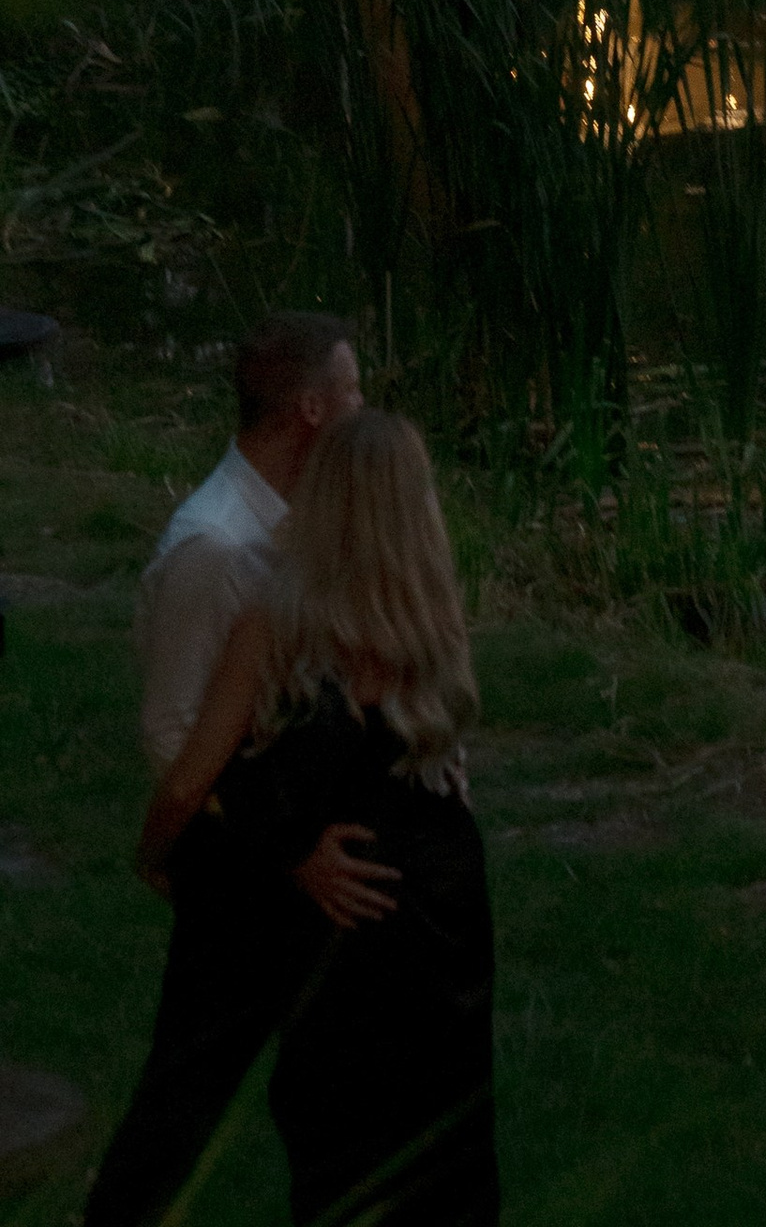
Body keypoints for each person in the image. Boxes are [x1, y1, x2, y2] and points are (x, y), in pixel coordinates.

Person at [139, 411, 498, 1227]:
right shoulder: (432, 616)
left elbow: (192, 778)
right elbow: (449, 761)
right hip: (443, 895)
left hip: (346, 902)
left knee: (341, 1123)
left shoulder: (278, 625)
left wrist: (157, 853)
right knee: (445, 1128)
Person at [86, 316, 381, 1227]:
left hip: (292, 852)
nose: (365, 406)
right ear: (308, 409)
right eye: (354, 390)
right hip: (242, 862)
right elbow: (174, 733)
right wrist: (283, 843)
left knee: (331, 1087)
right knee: (191, 1083)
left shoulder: (302, 526)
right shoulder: (212, 550)